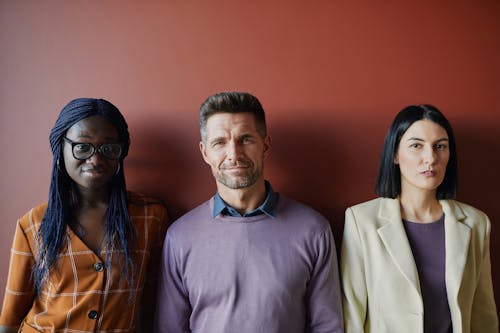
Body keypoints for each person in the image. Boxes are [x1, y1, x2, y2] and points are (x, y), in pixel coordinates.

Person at [154, 91, 343, 333]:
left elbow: (327, 327)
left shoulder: (313, 229)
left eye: (245, 139)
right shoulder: (180, 236)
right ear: (204, 152)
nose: (234, 154)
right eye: (219, 142)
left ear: (265, 145)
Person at [0, 98, 168, 333]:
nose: (96, 159)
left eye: (109, 149)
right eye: (82, 146)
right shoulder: (33, 224)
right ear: (61, 149)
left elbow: (150, 302)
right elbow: (10, 317)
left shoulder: (150, 218)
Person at [341, 105, 498, 332]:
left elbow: (483, 314)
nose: (430, 158)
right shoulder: (361, 221)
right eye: (416, 145)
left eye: (440, 147)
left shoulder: (476, 223)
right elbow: (352, 314)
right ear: (395, 154)